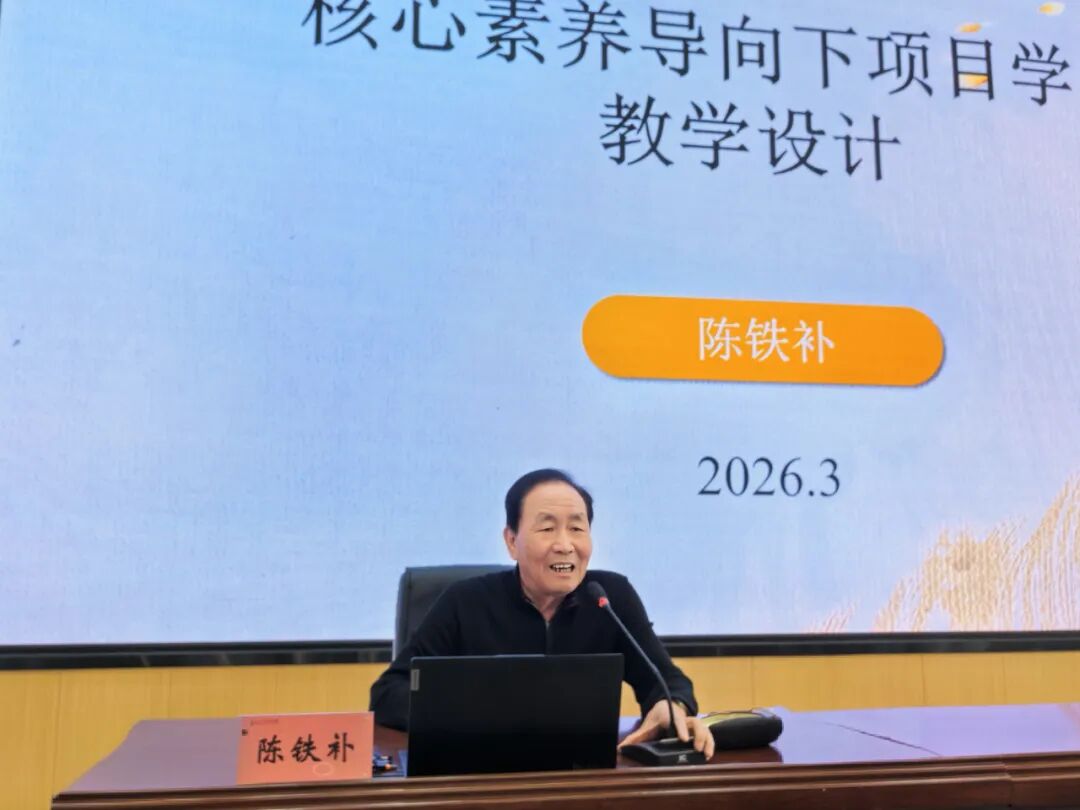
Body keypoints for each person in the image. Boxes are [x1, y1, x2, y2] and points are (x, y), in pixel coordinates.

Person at [369, 468, 715, 758]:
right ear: (511, 541)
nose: (565, 545)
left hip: (583, 780)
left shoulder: (609, 598)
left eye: (577, 528)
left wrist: (672, 707)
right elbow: (388, 693)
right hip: (482, 778)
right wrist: (472, 717)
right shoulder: (465, 602)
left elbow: (668, 682)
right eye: (547, 529)